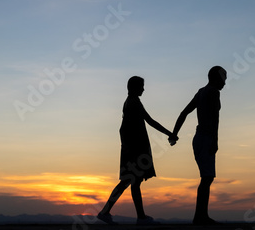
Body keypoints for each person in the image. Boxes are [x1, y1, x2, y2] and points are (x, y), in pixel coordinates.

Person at [97, 76, 177, 225]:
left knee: (131, 182)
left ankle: (133, 216)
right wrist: (169, 133)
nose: (143, 89)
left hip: (132, 149)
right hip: (135, 150)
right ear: (134, 87)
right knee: (130, 181)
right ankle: (116, 214)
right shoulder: (134, 102)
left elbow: (122, 129)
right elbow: (150, 121)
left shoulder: (130, 102)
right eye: (142, 86)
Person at [170, 66, 227, 225]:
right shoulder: (214, 92)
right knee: (207, 178)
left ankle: (200, 215)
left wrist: (175, 133)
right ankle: (200, 216)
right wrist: (215, 141)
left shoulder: (201, 92)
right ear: (218, 78)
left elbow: (184, 112)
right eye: (224, 79)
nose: (225, 83)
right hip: (206, 138)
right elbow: (215, 118)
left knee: (206, 177)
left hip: (198, 138)